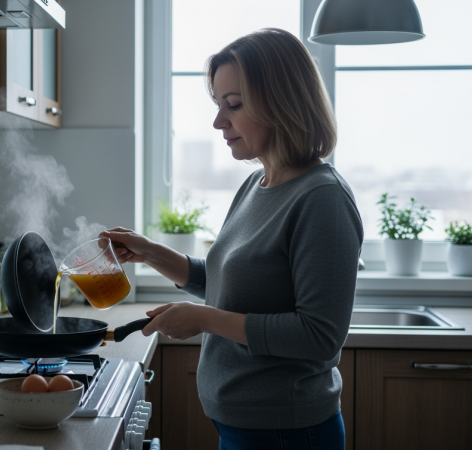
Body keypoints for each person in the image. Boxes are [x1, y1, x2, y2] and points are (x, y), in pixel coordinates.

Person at [101, 28, 363, 449]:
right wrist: (150, 252)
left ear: (283, 103)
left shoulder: (322, 199)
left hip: (289, 431)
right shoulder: (256, 185)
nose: (218, 121)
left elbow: (318, 337)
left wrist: (203, 318)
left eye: (234, 105)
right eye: (218, 105)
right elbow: (232, 284)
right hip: (243, 425)